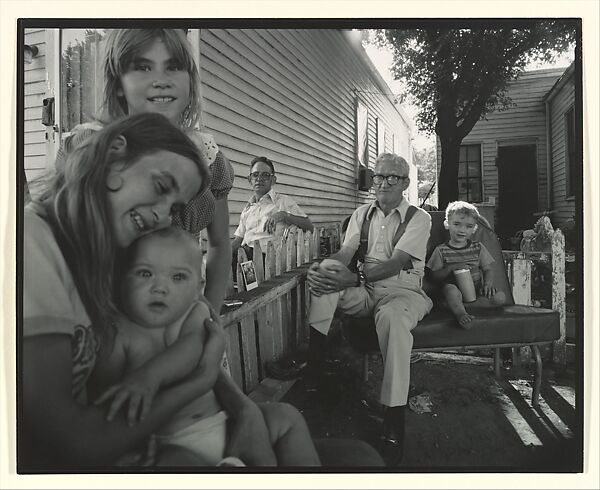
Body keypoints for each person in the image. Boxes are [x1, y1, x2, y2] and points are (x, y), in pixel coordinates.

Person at [21, 112, 321, 469]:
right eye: (162, 188)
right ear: (114, 153)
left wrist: (241, 407)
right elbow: (73, 441)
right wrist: (200, 381)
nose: (162, 216)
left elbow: (188, 334)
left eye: (175, 208)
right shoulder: (27, 244)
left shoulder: (109, 254)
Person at [92, 227, 320, 466]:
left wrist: (149, 375)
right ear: (123, 280)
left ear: (197, 287)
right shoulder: (120, 333)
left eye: (178, 277)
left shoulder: (194, 312)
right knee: (173, 461)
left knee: (286, 417)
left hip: (223, 422)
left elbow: (192, 349)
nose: (160, 287)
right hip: (170, 442)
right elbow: (108, 395)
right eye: (145, 273)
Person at [55, 28, 233, 311]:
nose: (160, 81)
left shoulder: (205, 159)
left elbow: (221, 244)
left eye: (174, 66)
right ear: (117, 84)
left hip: (177, 315)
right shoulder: (91, 145)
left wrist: (210, 315)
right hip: (100, 315)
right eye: (142, 67)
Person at [305, 153, 433, 466]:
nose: (384, 183)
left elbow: (397, 263)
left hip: (402, 293)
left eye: (393, 178)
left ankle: (393, 416)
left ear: (405, 184)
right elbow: (347, 252)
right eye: (379, 176)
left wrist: (356, 276)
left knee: (391, 318)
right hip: (366, 292)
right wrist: (322, 268)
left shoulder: (419, 217)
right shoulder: (361, 214)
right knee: (325, 287)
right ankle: (315, 369)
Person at [426, 201, 506, 328]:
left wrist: (487, 284)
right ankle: (461, 313)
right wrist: (451, 267)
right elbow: (434, 276)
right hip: (454, 292)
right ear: (447, 224)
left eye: (468, 226)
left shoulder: (477, 247)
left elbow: (487, 269)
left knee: (500, 297)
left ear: (474, 228)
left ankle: (463, 306)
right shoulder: (441, 250)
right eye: (457, 224)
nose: (462, 230)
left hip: (476, 290)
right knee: (450, 289)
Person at [231, 156, 313, 268]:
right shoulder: (248, 209)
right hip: (246, 259)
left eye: (265, 175)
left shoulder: (283, 201)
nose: (259, 179)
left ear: (273, 180)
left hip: (270, 260)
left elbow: (309, 227)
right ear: (250, 180)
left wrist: (284, 215)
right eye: (255, 175)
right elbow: (238, 239)